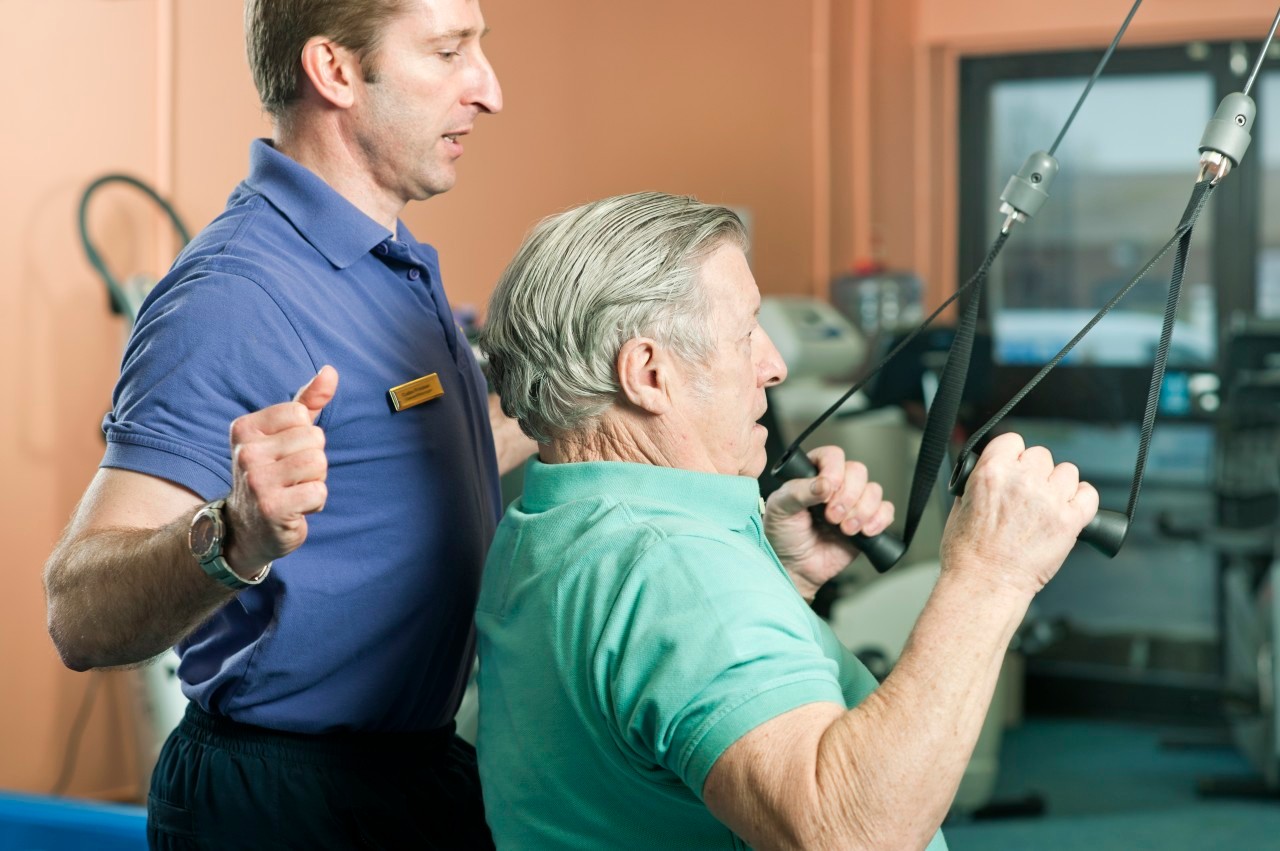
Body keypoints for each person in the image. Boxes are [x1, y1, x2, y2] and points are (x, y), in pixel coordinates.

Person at [42, 1, 529, 847]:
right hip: (283, 800)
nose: (489, 90)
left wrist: (593, 407)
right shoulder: (232, 294)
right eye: (449, 52)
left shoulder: (388, 262)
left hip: (416, 769)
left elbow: (411, 459)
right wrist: (231, 534)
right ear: (335, 72)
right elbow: (77, 612)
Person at [475, 192, 1099, 850]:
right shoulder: (676, 569)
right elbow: (849, 835)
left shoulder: (546, 520)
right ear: (649, 374)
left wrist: (780, 581)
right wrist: (991, 572)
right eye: (746, 334)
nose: (772, 366)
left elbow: (650, 705)